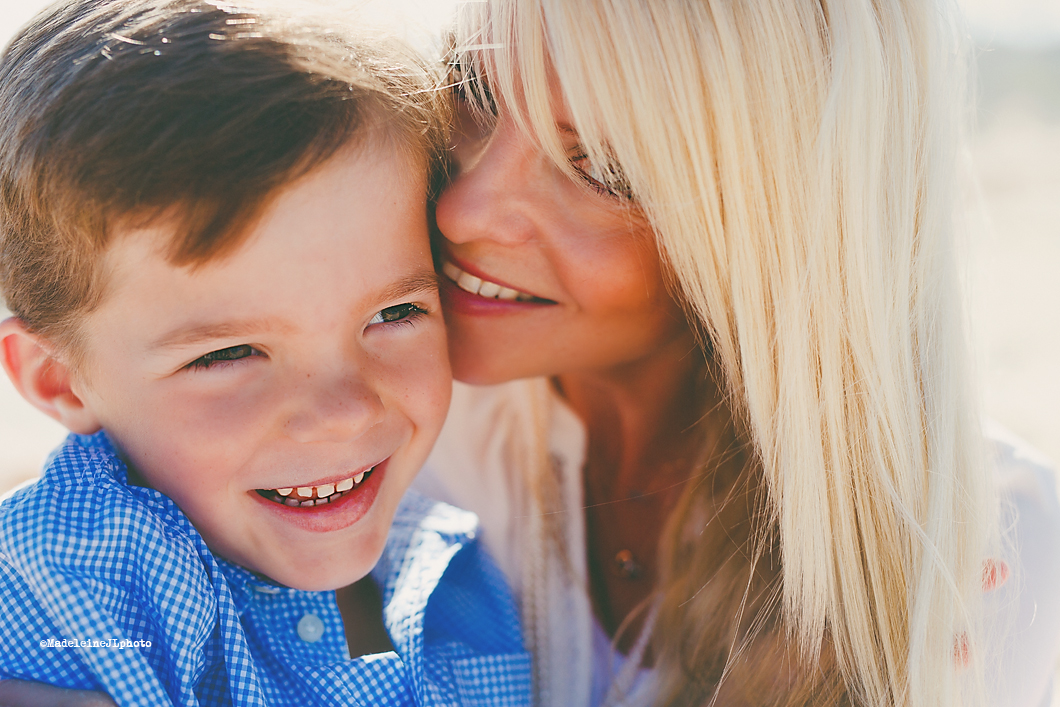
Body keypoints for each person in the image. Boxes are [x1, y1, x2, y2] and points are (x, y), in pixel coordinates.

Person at [410, 0, 1060, 705]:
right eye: (474, 92)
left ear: (777, 223)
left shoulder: (981, 554)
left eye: (598, 166)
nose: (463, 210)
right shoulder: (378, 437)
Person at [0, 1, 530, 705]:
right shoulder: (71, 587)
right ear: (60, 379)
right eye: (231, 354)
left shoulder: (459, 577)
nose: (343, 412)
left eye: (394, 312)